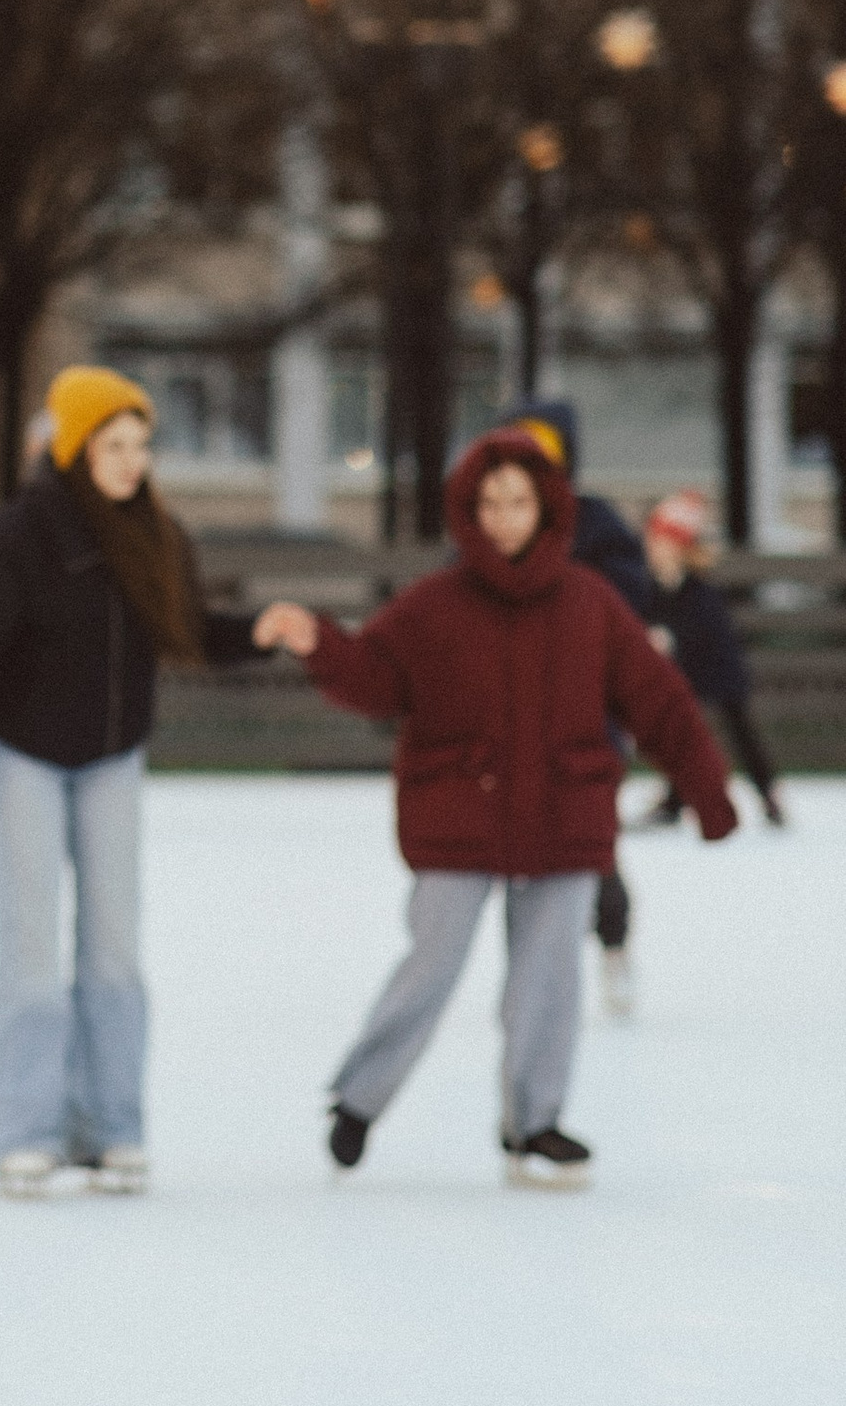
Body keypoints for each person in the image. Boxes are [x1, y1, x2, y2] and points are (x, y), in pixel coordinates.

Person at [255, 428, 735, 1188]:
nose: (506, 518)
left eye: (520, 501)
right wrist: (319, 641)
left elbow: (659, 701)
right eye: (491, 504)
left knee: (548, 975)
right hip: (460, 812)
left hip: (563, 811)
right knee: (432, 963)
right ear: (469, 513)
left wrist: (707, 790)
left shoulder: (589, 604)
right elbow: (377, 679)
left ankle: (534, 1123)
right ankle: (358, 1099)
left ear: (547, 507)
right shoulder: (438, 604)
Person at [0, 365, 268, 1197]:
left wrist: (261, 631)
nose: (133, 461)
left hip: (113, 757)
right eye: (114, 445)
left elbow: (187, 629)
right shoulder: (23, 534)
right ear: (77, 448)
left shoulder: (154, 532)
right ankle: (25, 1129)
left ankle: (113, 1125)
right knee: (32, 950)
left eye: (141, 445)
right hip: (27, 758)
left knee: (115, 950)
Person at [504, 401, 652, 1015]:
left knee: (591, 843)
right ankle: (532, 970)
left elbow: (629, 595)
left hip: (586, 721)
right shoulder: (497, 521)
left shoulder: (593, 525)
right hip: (511, 720)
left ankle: (612, 944)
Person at [639, 490, 785, 826]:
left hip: (718, 669)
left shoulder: (698, 590)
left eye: (660, 541)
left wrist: (670, 637)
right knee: (681, 731)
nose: (652, 548)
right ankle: (675, 799)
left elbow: (701, 629)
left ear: (678, 547)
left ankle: (768, 792)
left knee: (738, 730)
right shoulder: (654, 586)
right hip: (687, 672)